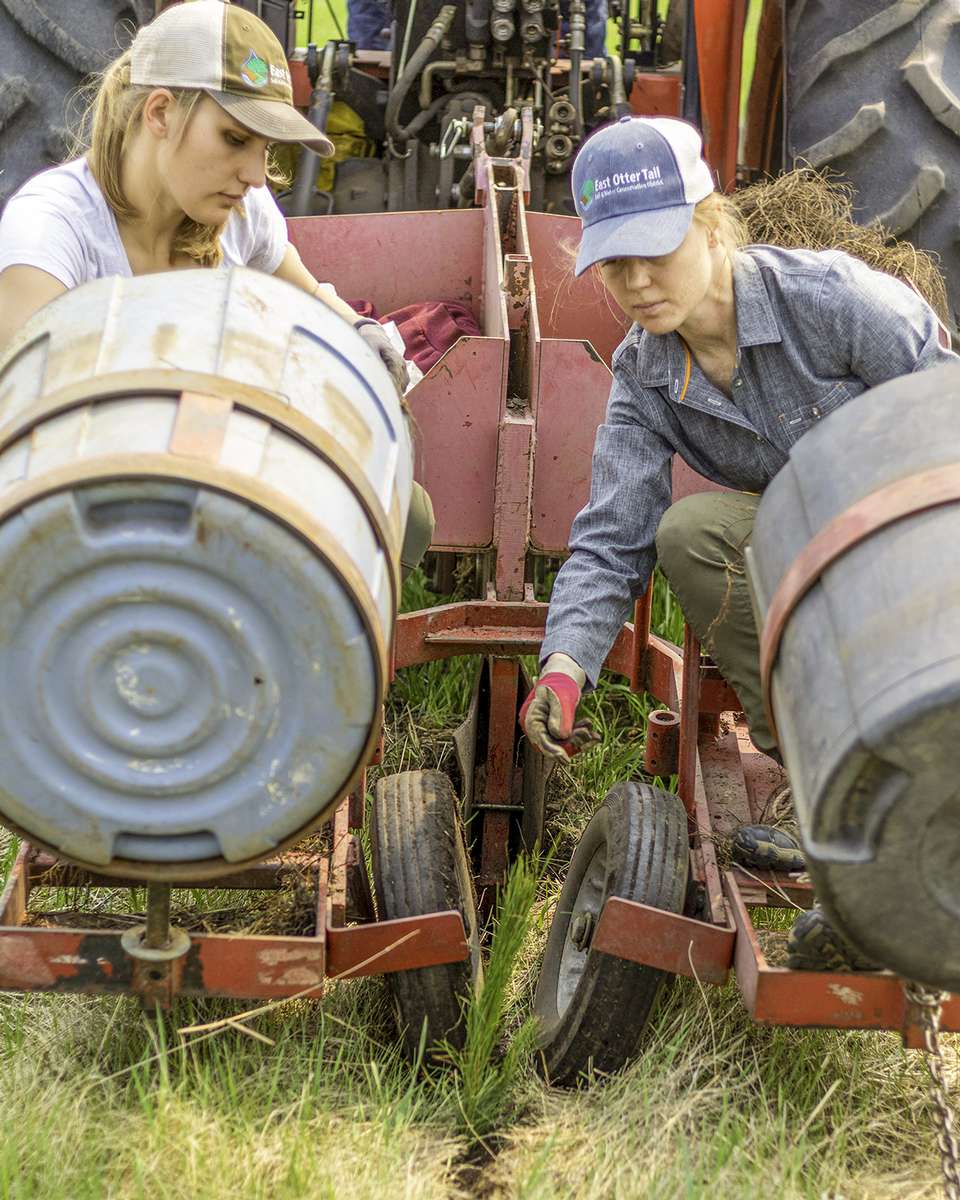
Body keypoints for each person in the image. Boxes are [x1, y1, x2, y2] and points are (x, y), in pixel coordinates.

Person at [519, 114, 957, 970]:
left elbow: (945, 418)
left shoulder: (831, 300)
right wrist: (565, 666)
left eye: (658, 248)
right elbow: (613, 539)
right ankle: (827, 793)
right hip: (803, 547)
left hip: (919, 541)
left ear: (713, 223)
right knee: (693, 533)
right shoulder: (645, 376)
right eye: (615, 263)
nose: (638, 282)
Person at [0, 0, 433, 578]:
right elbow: (29, 418)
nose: (256, 175)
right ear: (160, 112)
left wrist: (359, 334)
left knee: (411, 516)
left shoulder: (241, 211)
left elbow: (308, 293)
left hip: (202, 475)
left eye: (265, 147)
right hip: (85, 511)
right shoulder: (53, 227)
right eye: (234, 139)